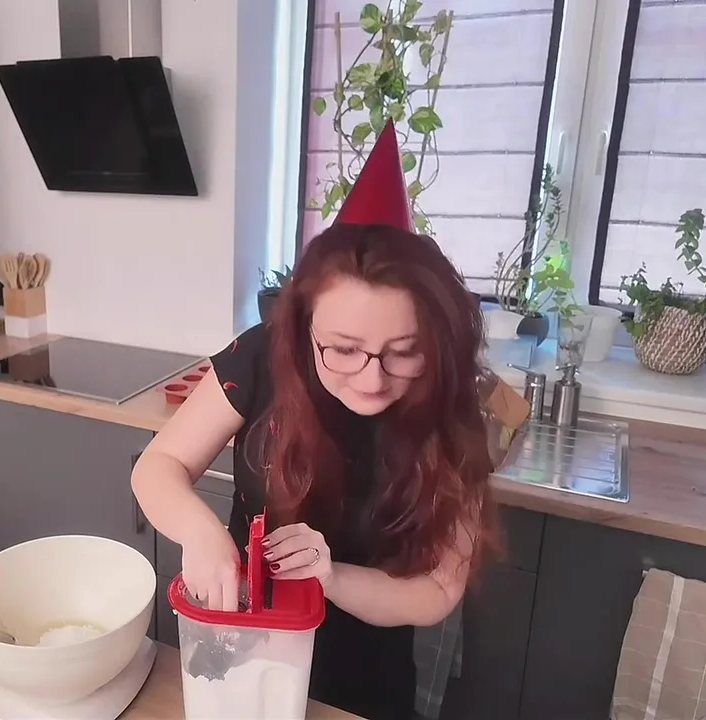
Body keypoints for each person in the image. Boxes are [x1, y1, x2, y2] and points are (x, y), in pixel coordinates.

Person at [131, 120, 498, 719]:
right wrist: (201, 533)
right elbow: (159, 465)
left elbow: (437, 590)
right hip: (240, 654)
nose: (372, 379)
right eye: (344, 350)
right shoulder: (262, 356)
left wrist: (329, 577)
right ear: (304, 327)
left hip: (360, 686)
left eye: (404, 351)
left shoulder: (451, 409)